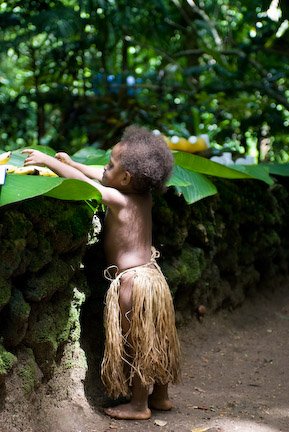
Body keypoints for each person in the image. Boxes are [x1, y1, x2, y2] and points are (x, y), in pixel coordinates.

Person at [22, 125, 181, 420]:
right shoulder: (141, 195)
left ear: (125, 178)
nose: (103, 168)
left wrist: (51, 163)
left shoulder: (119, 200)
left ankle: (138, 405)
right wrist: (72, 162)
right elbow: (98, 174)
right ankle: (161, 396)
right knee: (157, 339)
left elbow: (91, 185)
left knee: (138, 345)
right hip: (152, 278)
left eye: (110, 164)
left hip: (132, 284)